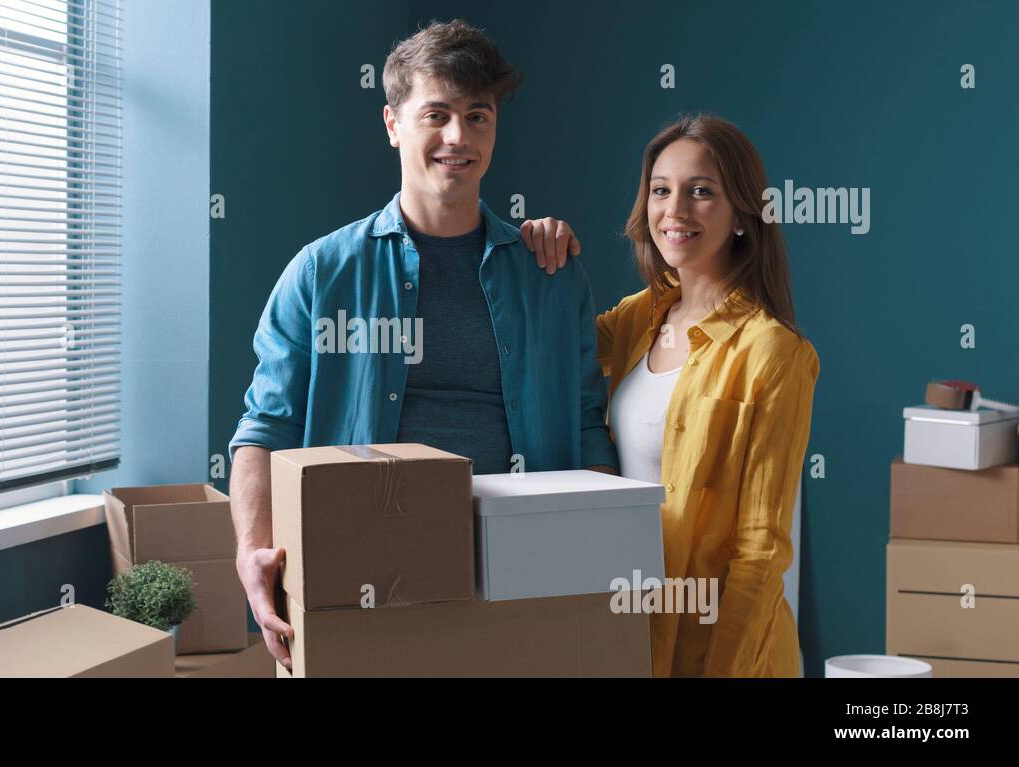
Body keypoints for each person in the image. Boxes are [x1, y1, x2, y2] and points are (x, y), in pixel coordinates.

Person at [228, 20, 618, 670]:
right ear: (392, 123)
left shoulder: (548, 273)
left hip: (524, 580)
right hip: (355, 577)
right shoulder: (321, 273)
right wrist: (252, 549)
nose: (458, 137)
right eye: (436, 114)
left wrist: (601, 560)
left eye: (478, 115)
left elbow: (587, 428)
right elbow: (264, 429)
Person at [522, 114, 819, 676]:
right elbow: (547, 339)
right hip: (629, 629)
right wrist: (538, 246)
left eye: (701, 192)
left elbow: (760, 549)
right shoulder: (642, 316)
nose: (675, 211)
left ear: (741, 216)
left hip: (718, 650)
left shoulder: (774, 352)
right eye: (661, 191)